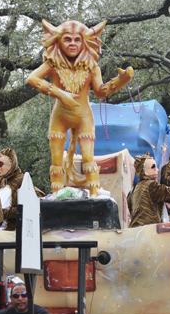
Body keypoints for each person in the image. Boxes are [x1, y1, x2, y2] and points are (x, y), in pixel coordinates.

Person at [25, 19, 133, 195]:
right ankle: (57, 196)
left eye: (77, 40)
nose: (72, 44)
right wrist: (61, 94)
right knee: (56, 162)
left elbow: (100, 91)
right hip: (59, 116)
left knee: (89, 158)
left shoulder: (91, 67)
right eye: (67, 39)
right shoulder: (52, 64)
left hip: (84, 117)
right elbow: (31, 79)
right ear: (58, 41)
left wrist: (122, 81)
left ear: (85, 42)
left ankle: (94, 195)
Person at [127, 154, 170, 228]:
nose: (157, 170)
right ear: (144, 170)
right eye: (153, 167)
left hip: (135, 230)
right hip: (148, 230)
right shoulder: (151, 185)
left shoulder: (133, 190)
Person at [0, 147, 24, 230]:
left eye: (0, 164)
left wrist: (3, 212)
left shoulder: (22, 181)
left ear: (11, 164)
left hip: (13, 232)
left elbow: (26, 208)